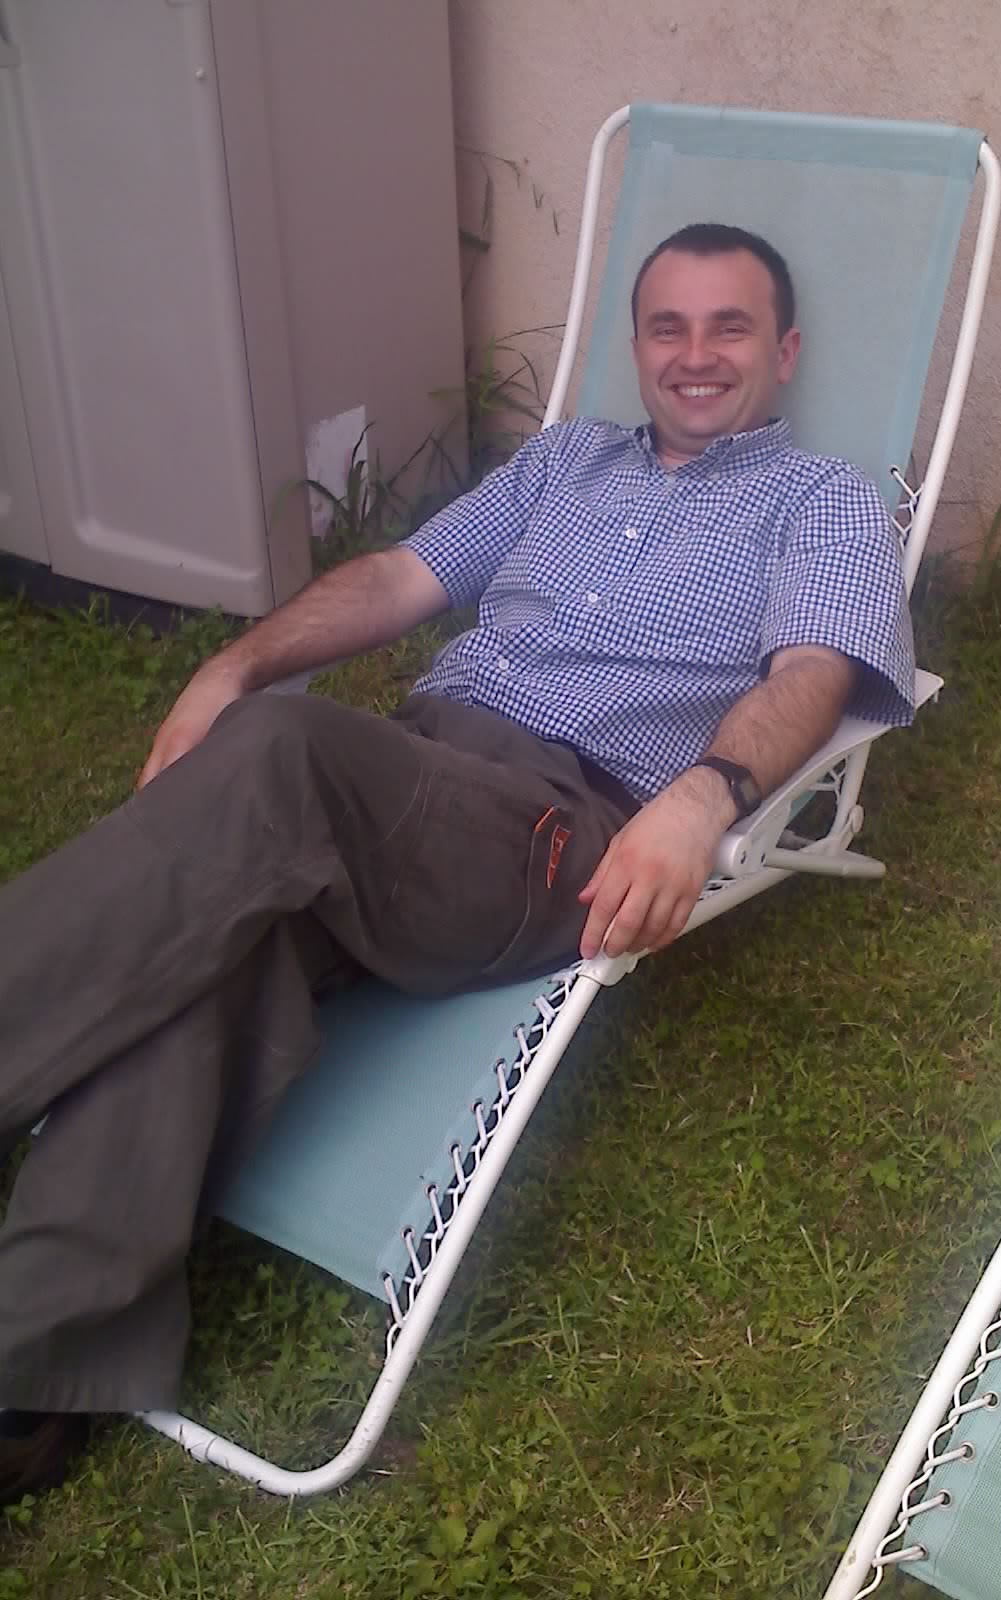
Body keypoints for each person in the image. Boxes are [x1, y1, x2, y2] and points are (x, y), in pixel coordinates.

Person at [0, 222, 914, 1498]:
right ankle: (34, 1369)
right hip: (409, 780)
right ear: (636, 345)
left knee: (281, 755)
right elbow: (398, 574)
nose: (697, 354)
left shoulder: (822, 500)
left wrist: (703, 797)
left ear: (786, 350)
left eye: (731, 326)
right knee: (219, 942)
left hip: (558, 824)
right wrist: (229, 663)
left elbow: (813, 669)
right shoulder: (565, 460)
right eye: (669, 326)